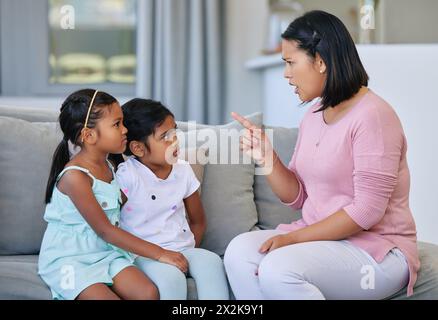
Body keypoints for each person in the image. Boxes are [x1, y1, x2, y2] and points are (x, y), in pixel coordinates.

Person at [224, 10, 420, 300]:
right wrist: (267, 157)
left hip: (378, 251)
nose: (286, 73)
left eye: (291, 62)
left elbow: (366, 211)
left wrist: (292, 239)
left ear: (320, 61)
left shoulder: (374, 117)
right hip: (326, 240)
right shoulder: (315, 114)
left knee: (279, 268)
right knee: (239, 252)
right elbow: (299, 197)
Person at [38, 89, 168, 300]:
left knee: (148, 292)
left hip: (105, 253)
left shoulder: (110, 166)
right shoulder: (75, 177)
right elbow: (105, 230)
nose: (125, 130)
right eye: (117, 124)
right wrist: (161, 253)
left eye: (122, 122)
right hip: (69, 260)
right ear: (88, 135)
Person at [114, 98, 229, 300]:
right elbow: (109, 226)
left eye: (175, 132)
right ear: (138, 148)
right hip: (143, 255)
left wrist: (186, 251)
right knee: (170, 278)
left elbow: (198, 220)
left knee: (212, 262)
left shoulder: (183, 170)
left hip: (182, 249)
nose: (175, 140)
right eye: (165, 137)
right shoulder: (127, 176)